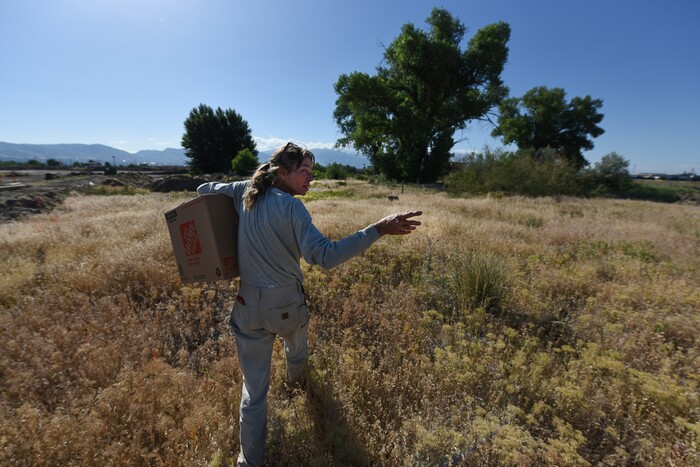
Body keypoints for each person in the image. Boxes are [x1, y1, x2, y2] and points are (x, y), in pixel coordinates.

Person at [197, 142, 422, 466]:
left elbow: (206, 189)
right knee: (296, 349)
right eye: (304, 172)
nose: (310, 179)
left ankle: (248, 462)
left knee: (254, 392)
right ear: (283, 172)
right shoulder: (292, 208)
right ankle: (293, 385)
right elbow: (325, 256)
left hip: (246, 307)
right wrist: (378, 229)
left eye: (312, 173)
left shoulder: (243, 190)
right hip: (286, 305)